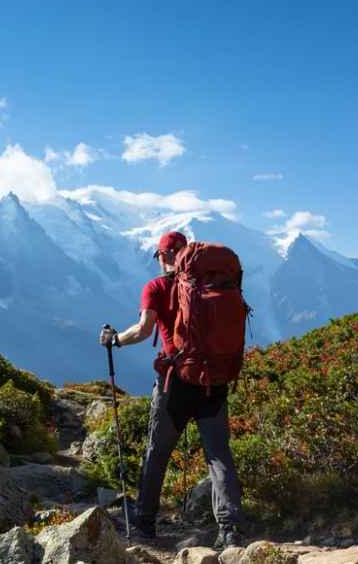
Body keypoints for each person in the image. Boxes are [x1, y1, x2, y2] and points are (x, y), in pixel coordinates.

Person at [99, 230, 243, 548]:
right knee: (218, 455)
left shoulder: (158, 287)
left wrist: (115, 340)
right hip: (214, 380)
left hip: (175, 383)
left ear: (164, 256)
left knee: (158, 452)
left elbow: (143, 329)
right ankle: (230, 529)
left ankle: (145, 524)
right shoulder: (215, 283)